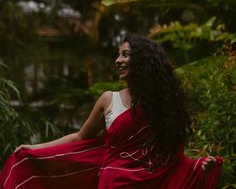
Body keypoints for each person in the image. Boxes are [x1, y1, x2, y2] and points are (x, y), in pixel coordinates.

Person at [0, 33, 223, 189]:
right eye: (118, 55)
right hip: (112, 183)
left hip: (151, 184)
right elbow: (80, 136)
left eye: (125, 55)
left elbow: (171, 160)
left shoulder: (164, 106)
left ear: (144, 61)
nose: (118, 60)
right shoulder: (108, 99)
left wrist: (198, 166)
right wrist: (35, 147)